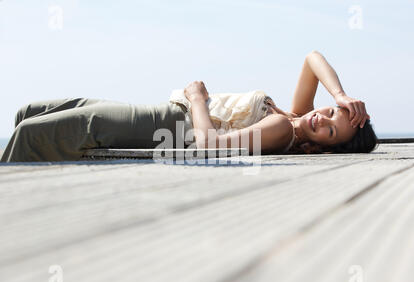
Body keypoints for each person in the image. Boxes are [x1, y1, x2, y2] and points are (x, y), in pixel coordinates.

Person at [0, 50, 377, 162]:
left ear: (321, 146)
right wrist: (342, 97)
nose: (321, 117)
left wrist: (198, 99)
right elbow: (312, 58)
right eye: (329, 111)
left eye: (330, 129)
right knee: (32, 112)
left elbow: (208, 146)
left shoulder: (283, 130)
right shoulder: (296, 115)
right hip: (166, 113)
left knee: (45, 130)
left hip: (170, 124)